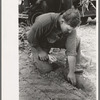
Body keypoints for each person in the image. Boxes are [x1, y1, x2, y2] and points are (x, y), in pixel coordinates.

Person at [27, 8, 82, 86]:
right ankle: (34, 54)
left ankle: (71, 67)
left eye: (71, 30)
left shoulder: (71, 29)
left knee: (77, 39)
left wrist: (71, 72)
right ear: (62, 21)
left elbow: (71, 52)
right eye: (68, 29)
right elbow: (30, 37)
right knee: (45, 69)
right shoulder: (44, 21)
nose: (70, 32)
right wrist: (40, 51)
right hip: (42, 42)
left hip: (56, 39)